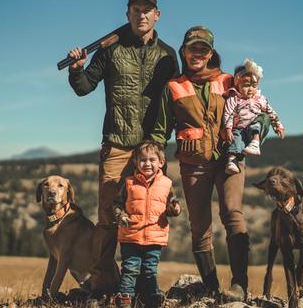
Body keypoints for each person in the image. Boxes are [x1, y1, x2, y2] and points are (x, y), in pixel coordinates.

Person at [67, 0, 179, 298]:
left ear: (157, 15)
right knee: (108, 218)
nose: (141, 14)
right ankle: (103, 286)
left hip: (152, 149)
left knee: (149, 216)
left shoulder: (168, 54)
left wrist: (169, 140)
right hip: (116, 143)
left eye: (147, 9)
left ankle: (142, 286)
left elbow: (176, 101)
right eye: (135, 9)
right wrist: (77, 68)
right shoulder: (110, 50)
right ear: (127, 14)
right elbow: (84, 86)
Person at [151, 26, 267, 302]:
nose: (197, 54)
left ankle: (239, 285)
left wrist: (260, 132)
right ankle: (212, 288)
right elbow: (160, 131)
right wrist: (156, 164)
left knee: (232, 214)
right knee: (199, 226)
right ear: (184, 51)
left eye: (203, 50)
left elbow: (258, 109)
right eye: (192, 49)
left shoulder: (230, 81)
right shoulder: (173, 87)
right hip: (193, 164)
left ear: (211, 54)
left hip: (230, 159)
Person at [113, 140, 181, 308]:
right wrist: (120, 216)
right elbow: (117, 204)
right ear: (135, 162)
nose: (147, 163)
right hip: (131, 236)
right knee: (130, 270)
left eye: (152, 160)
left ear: (161, 162)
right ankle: (125, 301)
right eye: (143, 160)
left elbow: (172, 205)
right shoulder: (129, 183)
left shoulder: (166, 183)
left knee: (150, 271)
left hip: (154, 237)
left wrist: (175, 209)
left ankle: (151, 301)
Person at [223, 58, 285, 175]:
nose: (251, 89)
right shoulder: (234, 98)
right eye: (246, 85)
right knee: (236, 139)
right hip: (240, 128)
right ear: (237, 84)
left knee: (263, 117)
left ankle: (255, 143)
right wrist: (228, 128)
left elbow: (271, 112)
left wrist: (278, 126)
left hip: (254, 129)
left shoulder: (260, 99)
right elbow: (228, 113)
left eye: (254, 85)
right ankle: (232, 161)